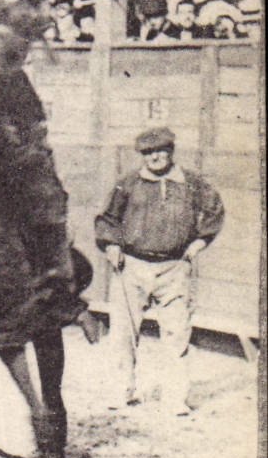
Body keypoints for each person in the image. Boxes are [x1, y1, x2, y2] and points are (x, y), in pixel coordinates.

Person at [94, 126, 225, 415]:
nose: (154, 157)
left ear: (170, 152)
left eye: (160, 151)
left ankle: (175, 398)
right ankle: (120, 391)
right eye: (148, 152)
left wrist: (201, 241)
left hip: (174, 267)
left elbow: (215, 209)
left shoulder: (191, 183)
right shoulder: (128, 183)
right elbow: (108, 219)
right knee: (123, 334)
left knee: (176, 334)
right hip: (132, 266)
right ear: (142, 155)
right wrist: (112, 247)